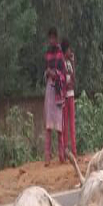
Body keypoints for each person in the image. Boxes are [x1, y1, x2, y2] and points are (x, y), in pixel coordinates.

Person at [43, 27, 65, 166]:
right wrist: (48, 73)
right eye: (49, 37)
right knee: (48, 125)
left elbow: (62, 74)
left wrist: (54, 74)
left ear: (56, 38)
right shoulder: (47, 54)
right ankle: (47, 157)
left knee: (58, 125)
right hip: (49, 90)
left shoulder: (60, 54)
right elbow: (45, 71)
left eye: (53, 37)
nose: (51, 40)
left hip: (58, 92)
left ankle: (61, 155)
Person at [61, 39, 77, 159]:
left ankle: (74, 151)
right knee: (65, 125)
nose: (70, 51)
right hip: (65, 96)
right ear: (65, 50)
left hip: (71, 94)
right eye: (69, 49)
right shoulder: (62, 62)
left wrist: (73, 62)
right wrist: (69, 80)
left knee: (71, 124)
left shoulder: (69, 62)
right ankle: (66, 152)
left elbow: (73, 78)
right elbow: (65, 78)